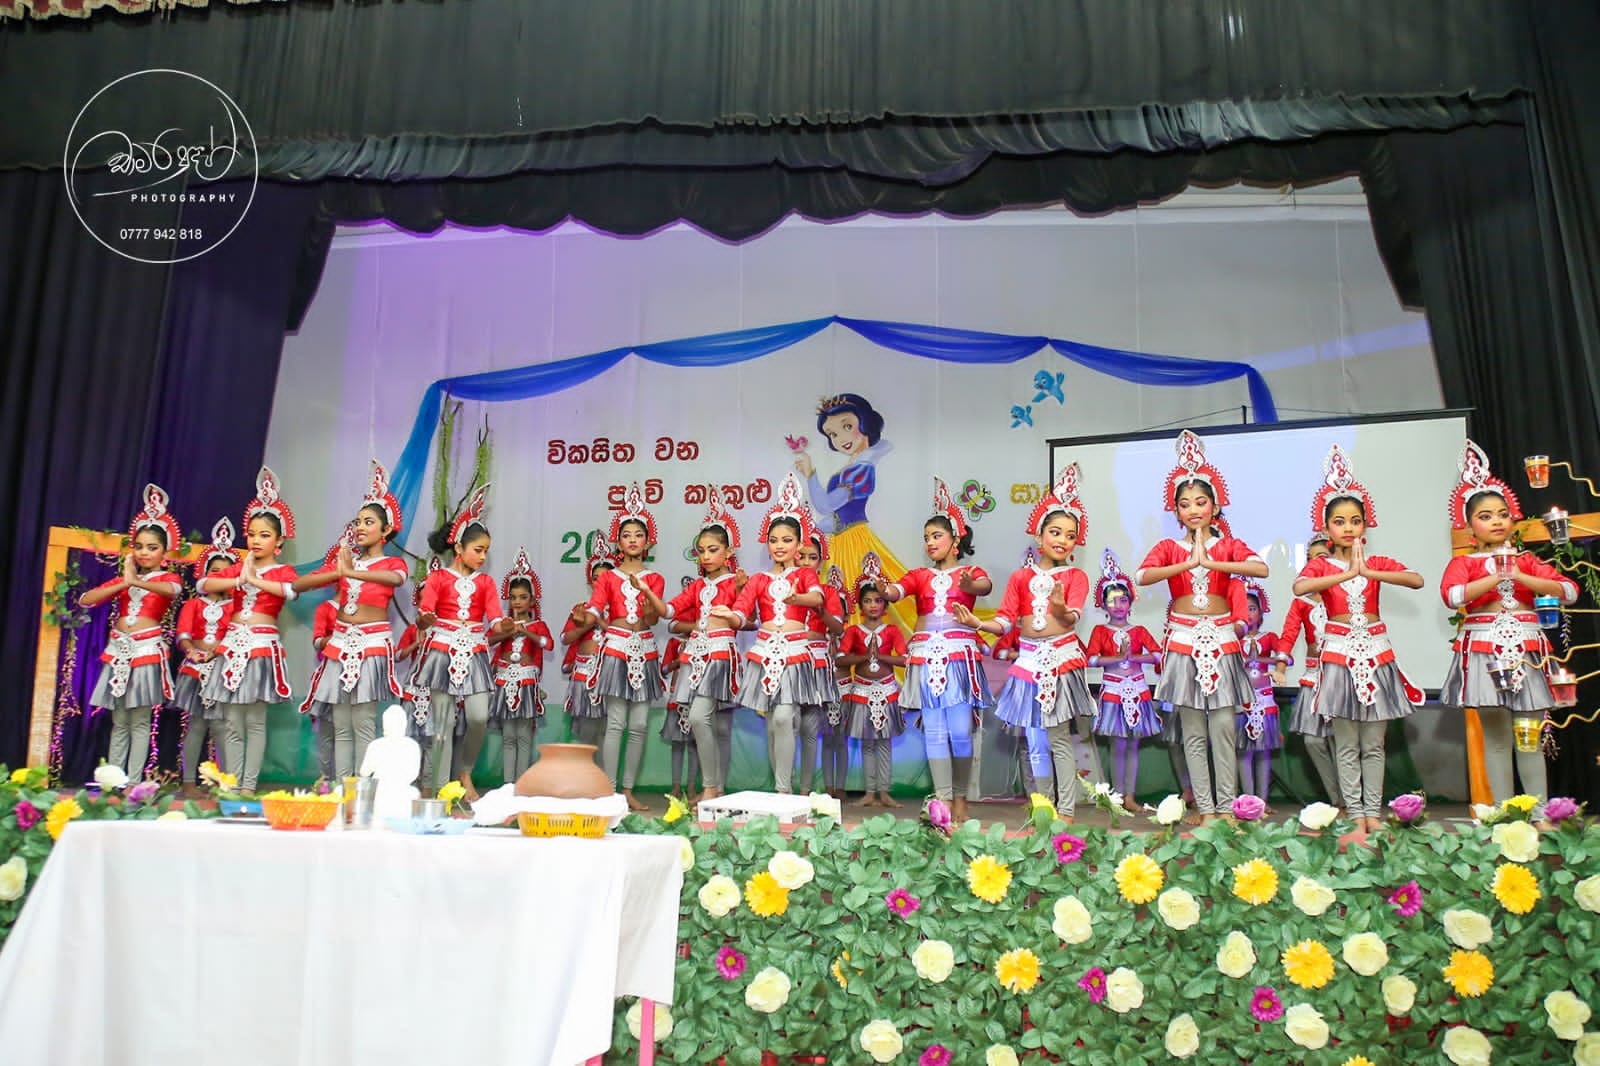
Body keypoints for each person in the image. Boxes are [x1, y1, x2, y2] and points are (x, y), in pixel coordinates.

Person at [1136, 431, 1268, 824]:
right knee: (1193, 730)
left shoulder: (1230, 545)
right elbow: (1143, 576)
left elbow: (1260, 568)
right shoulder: (1168, 547)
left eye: (1201, 502)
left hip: (1222, 638)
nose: (1193, 509)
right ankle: (1206, 810)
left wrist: (1211, 563)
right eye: (1185, 504)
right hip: (1183, 638)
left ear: (1214, 506)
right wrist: (1188, 562)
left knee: (1224, 725)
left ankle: (1226, 808)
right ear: (1176, 512)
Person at [1293, 445, 1426, 831]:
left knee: (1374, 743)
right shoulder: (1321, 565)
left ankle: (1373, 812)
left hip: (1376, 651)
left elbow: (1416, 580)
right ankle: (1354, 813)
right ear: (1327, 529)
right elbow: (1300, 587)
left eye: (1355, 520)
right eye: (1339, 522)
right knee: (1347, 742)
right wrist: (1346, 573)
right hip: (1338, 653)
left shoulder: (1376, 563)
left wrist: (1367, 571)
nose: (1348, 528)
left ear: (1365, 525)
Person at [1438, 440, 1576, 809]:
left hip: (1526, 649)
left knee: (1529, 737)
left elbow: (1568, 591)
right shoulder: (1464, 563)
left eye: (1503, 514)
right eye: (1486, 516)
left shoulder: (1527, 560)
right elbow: (1452, 596)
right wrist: (1496, 576)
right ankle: (1503, 815)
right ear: (1469, 526)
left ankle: (1538, 814)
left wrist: (1520, 576)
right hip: (1484, 650)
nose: (1496, 521)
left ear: (1513, 519)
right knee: (1496, 740)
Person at [957, 464, 1097, 823]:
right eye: (1055, 532)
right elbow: (1005, 620)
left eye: (1070, 535)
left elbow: (1071, 618)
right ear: (1039, 534)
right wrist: (977, 623)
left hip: (1061, 660)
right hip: (1029, 663)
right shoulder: (1020, 577)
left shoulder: (1076, 576)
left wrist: (1059, 608)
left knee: (1059, 738)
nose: (1062, 540)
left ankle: (1066, 810)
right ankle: (1043, 807)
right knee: (1035, 740)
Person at [709, 472, 826, 794]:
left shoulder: (804, 575)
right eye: (774, 540)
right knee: (774, 722)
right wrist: (729, 615)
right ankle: (781, 788)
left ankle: (784, 791)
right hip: (764, 652)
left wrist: (796, 599)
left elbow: (817, 599)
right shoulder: (759, 579)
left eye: (786, 540)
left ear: (799, 544)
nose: (779, 546)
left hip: (794, 652)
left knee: (784, 717)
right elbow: (741, 610)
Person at [886, 477, 993, 824]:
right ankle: (943, 799)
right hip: (925, 655)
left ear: (955, 540)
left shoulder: (971, 572)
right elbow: (897, 591)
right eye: (927, 538)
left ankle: (961, 796)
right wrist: (885, 589)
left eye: (936, 536)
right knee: (933, 731)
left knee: (960, 731)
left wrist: (970, 585)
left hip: (959, 657)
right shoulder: (919, 575)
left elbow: (985, 586)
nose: (930, 543)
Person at [293, 461, 410, 779]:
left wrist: (350, 572)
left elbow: (396, 580)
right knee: (341, 724)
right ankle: (343, 791)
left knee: (363, 723)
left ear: (385, 530)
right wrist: (338, 570)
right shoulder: (345, 562)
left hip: (372, 642)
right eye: (358, 521)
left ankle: (363, 793)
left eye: (368, 522)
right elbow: (298, 585)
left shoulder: (393, 563)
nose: (360, 527)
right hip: (341, 643)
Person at [199, 468, 301, 795]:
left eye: (264, 535)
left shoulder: (282, 571)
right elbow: (203, 584)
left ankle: (248, 786)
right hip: (232, 646)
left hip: (260, 647)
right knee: (231, 721)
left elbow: (291, 592)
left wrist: (255, 580)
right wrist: (238, 579)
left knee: (255, 721)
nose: (256, 540)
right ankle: (231, 784)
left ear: (279, 541)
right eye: (252, 534)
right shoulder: (238, 568)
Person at [642, 489, 743, 801]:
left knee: (704, 720)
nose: (706, 556)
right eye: (701, 551)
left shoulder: (737, 582)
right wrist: (648, 592)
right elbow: (669, 611)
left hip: (720, 655)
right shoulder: (698, 586)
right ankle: (712, 788)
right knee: (700, 720)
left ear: (728, 551)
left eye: (713, 549)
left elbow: (749, 619)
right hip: (695, 655)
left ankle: (713, 787)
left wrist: (738, 602)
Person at [83, 483, 185, 780]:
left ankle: (135, 782)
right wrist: (125, 581)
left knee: (140, 721)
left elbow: (172, 591)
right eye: (138, 546)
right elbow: (86, 600)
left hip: (146, 650)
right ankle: (114, 782)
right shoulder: (126, 579)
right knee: (119, 720)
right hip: (119, 650)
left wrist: (134, 582)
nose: (144, 552)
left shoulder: (168, 578)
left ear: (165, 551)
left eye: (152, 547)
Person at [793, 392, 917, 632]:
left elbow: (826, 505)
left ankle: (863, 646)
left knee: (860, 593)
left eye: (847, 426)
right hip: (838, 542)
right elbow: (835, 518)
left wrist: (810, 474)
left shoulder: (862, 469)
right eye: (833, 434)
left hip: (855, 541)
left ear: (865, 422)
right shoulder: (852, 466)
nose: (841, 439)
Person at [415, 485, 505, 800]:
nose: (483, 556)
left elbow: (495, 618)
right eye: (478, 549)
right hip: (443, 649)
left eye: (486, 551)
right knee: (443, 723)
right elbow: (424, 613)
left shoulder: (486, 582)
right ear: (459, 547)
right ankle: (442, 790)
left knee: (479, 716)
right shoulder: (438, 578)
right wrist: (425, 620)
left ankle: (465, 771)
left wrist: (504, 625)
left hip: (475, 650)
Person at [581, 483, 666, 811]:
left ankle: (628, 790)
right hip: (616, 646)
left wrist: (646, 599)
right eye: (626, 535)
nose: (632, 539)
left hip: (644, 648)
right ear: (618, 542)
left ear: (648, 541)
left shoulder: (655, 578)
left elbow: (653, 618)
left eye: (638, 535)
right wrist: (586, 616)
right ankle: (610, 791)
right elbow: (596, 607)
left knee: (640, 724)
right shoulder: (608, 577)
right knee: (616, 722)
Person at [1085, 549, 1162, 814]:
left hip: (1138, 690)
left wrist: (1134, 656)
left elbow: (1157, 655)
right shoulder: (1099, 631)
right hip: (1114, 690)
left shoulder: (1139, 631)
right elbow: (1090, 659)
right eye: (1112, 600)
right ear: (1103, 604)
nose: (1118, 605)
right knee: (1117, 745)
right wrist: (1117, 658)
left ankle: (1130, 795)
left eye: (1123, 600)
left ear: (1130, 602)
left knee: (1133, 745)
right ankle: (1117, 795)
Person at [1275, 532, 1340, 807]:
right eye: (1310, 559)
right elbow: (1288, 635)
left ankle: (1353, 803)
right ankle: (1339, 800)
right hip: (1314, 675)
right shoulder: (1301, 601)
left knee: (1342, 741)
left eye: (1321, 557)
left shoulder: (1345, 595)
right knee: (1314, 741)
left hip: (1342, 673)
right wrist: (1280, 667)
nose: (1315, 563)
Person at [173, 518, 238, 789]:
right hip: (195, 667)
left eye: (226, 572)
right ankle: (188, 782)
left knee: (222, 727)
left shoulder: (236, 606)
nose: (219, 577)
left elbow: (236, 635)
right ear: (205, 574)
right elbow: (183, 634)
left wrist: (217, 652)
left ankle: (227, 784)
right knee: (196, 725)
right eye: (214, 571)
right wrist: (191, 651)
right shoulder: (193, 604)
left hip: (223, 668)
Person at [840, 552, 908, 807]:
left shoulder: (892, 631)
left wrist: (880, 656)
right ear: (860, 605)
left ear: (886, 605)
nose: (873, 605)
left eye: (878, 600)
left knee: (884, 743)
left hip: (887, 690)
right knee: (867, 743)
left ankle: (884, 792)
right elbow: (840, 659)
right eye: (867, 601)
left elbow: (905, 659)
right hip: (861, 690)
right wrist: (862, 657)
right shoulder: (853, 631)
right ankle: (869, 793)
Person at [490, 548, 554, 786]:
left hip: (526, 681)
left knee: (524, 735)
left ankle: (521, 785)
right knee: (508, 735)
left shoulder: (538, 625)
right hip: (505, 680)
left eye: (522, 597)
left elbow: (548, 644)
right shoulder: (503, 625)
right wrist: (508, 631)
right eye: (513, 597)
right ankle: (508, 786)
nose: (517, 601)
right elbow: (489, 640)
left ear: (532, 601)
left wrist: (526, 631)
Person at [794, 530, 846, 796]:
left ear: (821, 561)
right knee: (783, 724)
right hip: (787, 660)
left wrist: (821, 611)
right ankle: (782, 791)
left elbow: (837, 628)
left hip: (815, 663)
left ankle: (804, 792)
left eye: (812, 557)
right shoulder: (782, 587)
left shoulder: (827, 592)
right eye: (801, 556)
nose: (805, 562)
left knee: (810, 729)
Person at [561, 531, 615, 763]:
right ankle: (585, 776)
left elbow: (622, 634)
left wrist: (599, 620)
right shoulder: (581, 608)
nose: (600, 581)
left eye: (605, 577)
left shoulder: (622, 610)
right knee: (586, 729)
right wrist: (586, 624)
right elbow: (565, 638)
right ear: (590, 581)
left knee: (608, 729)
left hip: (611, 672)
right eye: (595, 577)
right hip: (584, 672)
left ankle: (604, 778)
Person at [1235, 581, 1288, 805]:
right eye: (1243, 608)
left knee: (1263, 752)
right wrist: (1248, 659)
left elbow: (1286, 657)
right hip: (1241, 699)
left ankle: (1262, 802)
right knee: (1243, 751)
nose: (1248, 613)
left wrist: (1262, 659)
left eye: (1252, 608)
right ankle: (1248, 802)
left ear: (1260, 612)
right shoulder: (1233, 639)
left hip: (1264, 699)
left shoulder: (1269, 637)